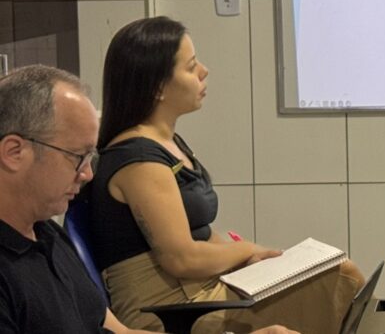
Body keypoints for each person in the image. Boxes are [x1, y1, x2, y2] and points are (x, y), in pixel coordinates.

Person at [81, 17, 363, 333]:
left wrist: (251, 260)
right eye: (191, 67)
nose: (204, 71)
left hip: (204, 291)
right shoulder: (139, 161)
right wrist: (248, 251)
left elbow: (201, 234)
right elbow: (182, 259)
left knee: (337, 272)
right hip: (173, 309)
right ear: (158, 87)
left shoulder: (168, 144)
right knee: (342, 279)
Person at [0, 64, 297, 334]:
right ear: (14, 152)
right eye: (77, 157)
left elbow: (120, 332)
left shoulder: (47, 235)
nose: (87, 174)